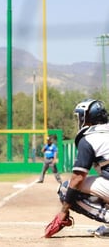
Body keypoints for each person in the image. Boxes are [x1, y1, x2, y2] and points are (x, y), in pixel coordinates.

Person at [44, 99, 109, 238]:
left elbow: (78, 178)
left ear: (86, 117)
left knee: (66, 189)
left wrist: (63, 211)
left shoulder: (90, 138)